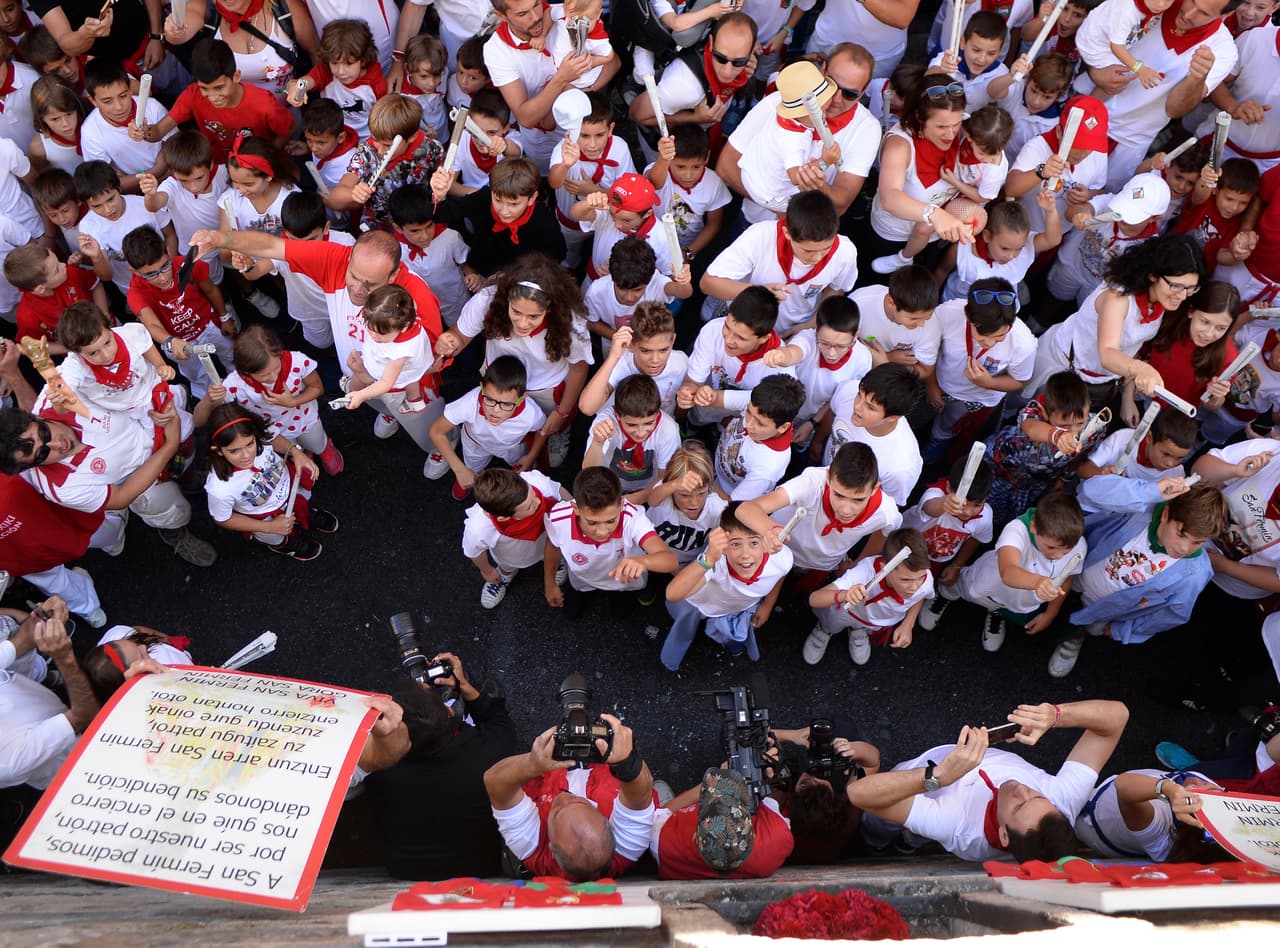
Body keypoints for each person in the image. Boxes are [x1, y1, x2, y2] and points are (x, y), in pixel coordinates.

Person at [188, 225, 446, 455]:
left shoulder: (417, 297)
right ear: (350, 257)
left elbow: (434, 358)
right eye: (354, 276)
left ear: (393, 277)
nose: (358, 290)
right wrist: (218, 239)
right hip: (358, 375)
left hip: (403, 386)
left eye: (370, 285)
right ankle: (389, 414)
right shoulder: (336, 259)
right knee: (376, 403)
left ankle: (438, 449)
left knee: (422, 424)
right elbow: (272, 246)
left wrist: (383, 380)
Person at [850, 699, 1130, 862]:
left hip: (915, 782)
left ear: (1004, 834)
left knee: (879, 823)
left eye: (1019, 806)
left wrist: (939, 776)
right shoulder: (1061, 803)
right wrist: (1056, 715)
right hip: (928, 799)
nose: (1022, 789)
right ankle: (907, 843)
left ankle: (877, 844)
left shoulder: (959, 827)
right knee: (914, 832)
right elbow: (1117, 718)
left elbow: (861, 796)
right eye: (1038, 796)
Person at [355, 653, 522, 880]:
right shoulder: (488, 751)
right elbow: (499, 722)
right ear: (450, 712)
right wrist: (465, 687)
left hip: (405, 870)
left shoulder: (378, 765)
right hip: (480, 868)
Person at [1048, 476, 1230, 678]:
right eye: (1181, 533)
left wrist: (1127, 630)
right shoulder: (1140, 509)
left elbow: (1173, 613)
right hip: (1077, 576)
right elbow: (1091, 490)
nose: (1185, 548)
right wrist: (1150, 491)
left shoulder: (1196, 573)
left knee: (1081, 626)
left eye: (1198, 542)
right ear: (1166, 514)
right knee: (1054, 599)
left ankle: (1073, 640)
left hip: (1104, 611)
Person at [437, 257, 592, 469]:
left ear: (550, 309)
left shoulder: (571, 324)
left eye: (533, 316)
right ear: (507, 298)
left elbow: (578, 370)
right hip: (499, 379)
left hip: (545, 388)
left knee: (550, 422)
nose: (522, 323)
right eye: (516, 312)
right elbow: (460, 335)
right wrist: (451, 341)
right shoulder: (487, 300)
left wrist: (561, 413)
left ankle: (557, 431)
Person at [1022, 234, 1209, 404]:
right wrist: (1143, 370)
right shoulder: (1117, 298)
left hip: (1099, 381)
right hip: (1060, 366)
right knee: (1024, 406)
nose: (1182, 295)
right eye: (1176, 285)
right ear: (1153, 275)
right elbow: (1108, 353)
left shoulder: (1163, 300)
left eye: (1191, 288)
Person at [484, 703, 657, 880]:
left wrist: (531, 764)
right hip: (605, 768)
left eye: (557, 812)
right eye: (581, 802)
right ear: (608, 825)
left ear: (552, 848)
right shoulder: (626, 846)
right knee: (651, 798)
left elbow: (494, 780)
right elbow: (641, 792)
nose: (564, 797)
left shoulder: (531, 846)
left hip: (549, 769)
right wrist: (627, 763)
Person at [1084, 0, 1239, 189]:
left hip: (1130, 140)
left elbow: (1174, 110)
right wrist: (1094, 71)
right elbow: (1094, 29)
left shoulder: (1223, 50)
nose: (1188, 13)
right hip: (1089, 110)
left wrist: (1197, 79)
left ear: (1226, 15)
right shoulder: (1158, 2)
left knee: (1100, 197)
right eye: (1191, 1)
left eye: (1203, 13)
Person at [934, 492, 1087, 652]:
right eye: (1051, 547)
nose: (1058, 556)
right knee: (963, 587)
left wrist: (1050, 614)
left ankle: (998, 613)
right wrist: (1038, 582)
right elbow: (1008, 572)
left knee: (1001, 606)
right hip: (988, 583)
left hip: (1017, 600)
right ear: (1033, 527)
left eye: (1066, 551)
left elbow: (1067, 579)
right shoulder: (1017, 530)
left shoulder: (1079, 546)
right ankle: (946, 593)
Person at [700, 190, 860, 336]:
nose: (817, 258)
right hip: (743, 327)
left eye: (826, 249)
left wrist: (812, 323)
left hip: (796, 330)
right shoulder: (760, 236)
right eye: (808, 251)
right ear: (787, 233)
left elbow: (837, 288)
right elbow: (708, 283)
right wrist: (758, 292)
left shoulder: (845, 252)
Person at [737, 443, 902, 583]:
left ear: (875, 488)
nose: (846, 509)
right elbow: (745, 509)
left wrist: (858, 563)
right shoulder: (811, 483)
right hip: (777, 552)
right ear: (828, 477)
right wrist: (769, 530)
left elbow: (885, 530)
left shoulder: (886, 512)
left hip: (821, 566)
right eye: (839, 495)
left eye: (858, 500)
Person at [661, 504, 793, 670]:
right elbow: (673, 594)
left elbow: (779, 576)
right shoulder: (716, 562)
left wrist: (768, 604)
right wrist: (709, 559)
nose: (745, 555)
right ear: (723, 547)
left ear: (766, 543)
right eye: (735, 544)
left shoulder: (782, 558)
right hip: (701, 603)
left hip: (738, 607)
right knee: (685, 628)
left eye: (753, 543)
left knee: (731, 634)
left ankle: (731, 643)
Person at [866, 73, 973, 274]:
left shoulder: (968, 132)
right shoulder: (899, 144)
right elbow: (890, 197)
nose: (951, 134)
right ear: (919, 117)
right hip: (894, 236)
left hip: (936, 234)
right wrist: (935, 214)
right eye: (941, 127)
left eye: (956, 124)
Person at [205, 403, 338, 561]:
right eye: (234, 451)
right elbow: (223, 519)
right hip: (263, 519)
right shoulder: (219, 488)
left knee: (302, 503)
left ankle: (305, 514)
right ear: (218, 450)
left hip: (289, 489)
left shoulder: (260, 434)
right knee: (275, 537)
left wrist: (295, 452)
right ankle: (285, 545)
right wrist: (269, 527)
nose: (246, 455)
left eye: (250, 444)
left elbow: (273, 438)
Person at [122, 224, 236, 402]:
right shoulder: (136, 293)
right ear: (134, 271)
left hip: (209, 325)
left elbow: (211, 290)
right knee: (196, 374)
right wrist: (171, 341)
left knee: (231, 354)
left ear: (168, 252)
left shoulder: (186, 265)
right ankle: (209, 400)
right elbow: (151, 324)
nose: (162, 277)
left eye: (164, 266)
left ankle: (238, 384)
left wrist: (225, 317)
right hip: (178, 341)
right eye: (151, 274)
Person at [543, 467, 678, 617]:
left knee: (620, 614)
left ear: (622, 504)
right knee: (571, 613)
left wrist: (643, 561)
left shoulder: (633, 518)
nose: (602, 532)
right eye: (592, 523)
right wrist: (549, 583)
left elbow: (670, 560)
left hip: (623, 584)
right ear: (576, 508)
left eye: (610, 521)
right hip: (582, 579)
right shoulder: (557, 519)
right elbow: (553, 545)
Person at [137, 38, 295, 163]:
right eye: (204, 88)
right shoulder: (192, 95)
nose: (212, 97)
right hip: (219, 166)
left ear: (236, 77)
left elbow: (289, 128)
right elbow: (159, 131)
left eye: (219, 87)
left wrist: (264, 157)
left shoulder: (263, 103)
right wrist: (144, 131)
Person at [483, 0, 594, 174]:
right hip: (541, 139)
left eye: (536, 4)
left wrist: (586, 87)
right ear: (501, 15)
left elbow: (613, 63)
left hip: (587, 130)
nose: (536, 17)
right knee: (547, 176)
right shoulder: (495, 50)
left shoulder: (564, 15)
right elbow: (526, 118)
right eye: (522, 14)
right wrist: (562, 79)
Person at [0, 600, 99, 790]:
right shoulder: (7, 761)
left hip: (47, 705)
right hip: (71, 760)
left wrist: (42, 619)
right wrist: (64, 658)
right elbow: (83, 716)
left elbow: (21, 640)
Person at [806, 527, 933, 666]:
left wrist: (908, 623)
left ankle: (858, 631)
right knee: (831, 623)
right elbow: (814, 599)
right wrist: (845, 595)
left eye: (921, 577)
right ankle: (825, 630)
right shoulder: (864, 572)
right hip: (847, 613)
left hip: (874, 621)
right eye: (905, 580)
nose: (915, 587)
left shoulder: (925, 580)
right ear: (884, 568)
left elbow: (921, 595)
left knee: (864, 627)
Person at [427, 356, 548, 500]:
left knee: (521, 470)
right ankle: (471, 477)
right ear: (481, 388)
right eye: (490, 399)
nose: (496, 410)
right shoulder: (470, 402)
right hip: (476, 443)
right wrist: (460, 470)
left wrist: (532, 456)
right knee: (472, 467)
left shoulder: (531, 414)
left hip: (511, 446)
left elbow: (542, 430)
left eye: (506, 404)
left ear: (522, 399)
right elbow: (436, 431)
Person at [649, 767, 794, 879]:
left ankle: (664, 803)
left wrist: (723, 778)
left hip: (664, 831)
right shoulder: (779, 841)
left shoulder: (776, 830)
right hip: (671, 863)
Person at [164, 0, 321, 103]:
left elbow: (315, 53)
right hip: (232, 118)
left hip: (286, 115)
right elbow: (180, 33)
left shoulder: (285, 8)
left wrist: (313, 99)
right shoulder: (206, 8)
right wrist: (173, 29)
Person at [463, 467, 569, 610]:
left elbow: (558, 490)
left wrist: (576, 507)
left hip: (548, 542)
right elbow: (474, 552)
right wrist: (487, 571)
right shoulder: (478, 528)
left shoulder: (535, 481)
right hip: (510, 557)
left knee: (553, 553)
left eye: (532, 493)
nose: (538, 501)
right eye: (529, 506)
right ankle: (504, 575)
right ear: (503, 518)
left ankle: (556, 563)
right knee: (506, 567)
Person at [583, 374, 680, 503]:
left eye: (648, 423)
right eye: (632, 425)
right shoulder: (605, 423)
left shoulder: (668, 429)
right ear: (617, 415)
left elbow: (665, 476)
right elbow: (589, 472)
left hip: (649, 489)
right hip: (609, 486)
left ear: (657, 413)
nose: (640, 433)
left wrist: (629, 501)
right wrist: (597, 443)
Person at [286, 19, 387, 140]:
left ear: (364, 59)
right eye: (334, 63)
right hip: (330, 139)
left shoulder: (377, 85)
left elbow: (383, 119)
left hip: (365, 140)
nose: (341, 71)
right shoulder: (326, 73)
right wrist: (297, 87)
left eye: (349, 64)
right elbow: (305, 82)